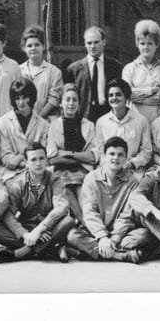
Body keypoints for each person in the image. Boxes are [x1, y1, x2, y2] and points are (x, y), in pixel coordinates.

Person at [66, 136, 150, 263]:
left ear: (126, 158)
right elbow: (90, 211)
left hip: (121, 233)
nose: (116, 158)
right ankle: (120, 256)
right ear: (104, 156)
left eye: (120, 155)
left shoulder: (132, 181)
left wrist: (114, 238)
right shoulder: (91, 178)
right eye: (112, 154)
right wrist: (102, 237)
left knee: (143, 235)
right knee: (73, 236)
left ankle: (91, 252)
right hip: (95, 231)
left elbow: (127, 215)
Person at [0, 142, 75, 262]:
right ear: (26, 162)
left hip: (49, 227)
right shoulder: (16, 183)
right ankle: (51, 248)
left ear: (46, 160)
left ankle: (20, 253)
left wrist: (40, 230)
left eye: (41, 158)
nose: (38, 163)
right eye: (33, 159)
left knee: (68, 221)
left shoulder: (55, 180)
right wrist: (26, 234)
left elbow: (61, 207)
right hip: (27, 226)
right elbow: (8, 214)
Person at [46, 84, 98, 221]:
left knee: (82, 192)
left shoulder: (88, 125)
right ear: (61, 103)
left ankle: (87, 222)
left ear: (79, 104)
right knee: (65, 188)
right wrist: (81, 156)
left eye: (75, 100)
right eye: (67, 99)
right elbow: (52, 157)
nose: (71, 103)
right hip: (60, 170)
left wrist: (67, 154)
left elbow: (93, 156)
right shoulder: (54, 125)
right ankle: (84, 223)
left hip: (82, 170)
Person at [94, 79, 153, 177]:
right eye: (111, 95)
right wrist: (111, 165)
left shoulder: (141, 120)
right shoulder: (101, 122)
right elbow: (100, 151)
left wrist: (131, 163)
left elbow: (146, 152)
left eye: (118, 94)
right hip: (107, 171)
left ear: (126, 97)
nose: (114, 98)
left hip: (133, 171)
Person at [64, 26, 123, 122]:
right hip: (83, 117)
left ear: (103, 42)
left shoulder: (116, 66)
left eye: (96, 42)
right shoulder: (73, 69)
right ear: (85, 44)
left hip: (108, 115)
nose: (92, 46)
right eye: (89, 43)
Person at [0, 78, 50, 180]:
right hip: (11, 174)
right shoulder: (2, 124)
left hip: (38, 172)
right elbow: (6, 157)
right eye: (17, 98)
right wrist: (25, 161)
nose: (21, 102)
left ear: (31, 98)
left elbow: (43, 154)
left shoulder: (43, 125)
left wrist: (20, 157)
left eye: (25, 97)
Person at [122, 19, 160, 123]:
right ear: (137, 44)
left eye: (150, 43)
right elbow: (127, 94)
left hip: (158, 120)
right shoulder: (129, 68)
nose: (145, 47)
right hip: (134, 121)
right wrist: (150, 91)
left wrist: (137, 97)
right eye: (142, 43)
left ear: (156, 44)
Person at [19, 24, 63, 120]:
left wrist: (37, 119)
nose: (33, 48)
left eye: (37, 45)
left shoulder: (54, 72)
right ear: (24, 48)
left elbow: (53, 100)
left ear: (43, 46)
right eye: (29, 46)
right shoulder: (18, 70)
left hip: (45, 121)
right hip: (22, 120)